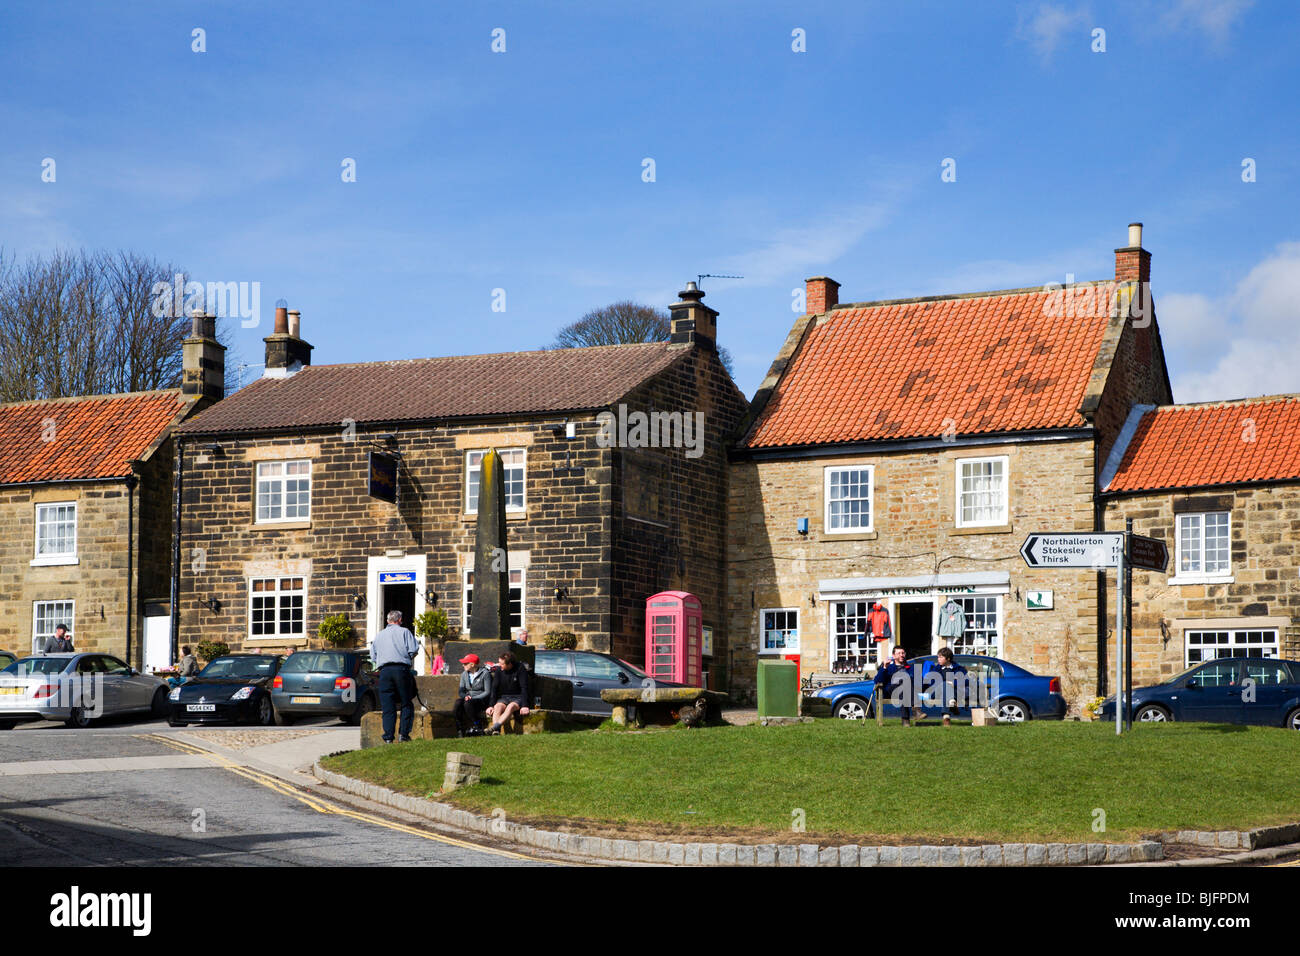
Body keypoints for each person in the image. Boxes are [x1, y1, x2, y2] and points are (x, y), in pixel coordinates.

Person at [372, 610, 420, 743]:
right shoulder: (404, 632)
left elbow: (373, 656)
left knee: (388, 705)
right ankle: (403, 735)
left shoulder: (379, 635)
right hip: (401, 669)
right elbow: (413, 649)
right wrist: (405, 658)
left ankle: (388, 737)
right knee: (406, 702)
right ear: (400, 620)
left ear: (388, 621)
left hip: (384, 671)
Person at [484, 650, 531, 735]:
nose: (499, 665)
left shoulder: (520, 668)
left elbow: (524, 687)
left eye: (502, 664)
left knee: (511, 706)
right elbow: (494, 688)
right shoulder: (499, 670)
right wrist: (491, 705)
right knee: (497, 706)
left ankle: (494, 727)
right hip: (504, 697)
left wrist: (525, 705)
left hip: (518, 697)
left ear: (510, 664)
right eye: (499, 663)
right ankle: (496, 730)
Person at [873, 645, 918, 727]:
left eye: (903, 653)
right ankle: (916, 710)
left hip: (907, 691)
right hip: (891, 691)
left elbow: (918, 681)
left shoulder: (910, 667)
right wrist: (884, 668)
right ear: (893, 656)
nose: (901, 655)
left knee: (904, 685)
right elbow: (877, 681)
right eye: (899, 653)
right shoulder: (889, 667)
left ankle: (906, 721)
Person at [453, 653, 493, 736]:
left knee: (468, 704)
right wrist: (465, 696)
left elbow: (487, 692)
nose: (462, 665)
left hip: (481, 700)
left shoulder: (485, 674)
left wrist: (473, 698)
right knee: (458, 703)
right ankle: (460, 729)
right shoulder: (464, 674)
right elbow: (461, 691)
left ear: (472, 664)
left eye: (465, 663)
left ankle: (477, 724)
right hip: (468, 698)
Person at [931, 646, 968, 727]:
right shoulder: (936, 669)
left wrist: (953, 683)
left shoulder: (959, 668)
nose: (938, 659)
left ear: (948, 659)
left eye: (941, 657)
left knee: (947, 689)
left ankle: (946, 717)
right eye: (938, 657)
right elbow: (932, 682)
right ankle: (952, 702)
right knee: (944, 685)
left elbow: (966, 680)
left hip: (955, 692)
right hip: (938, 692)